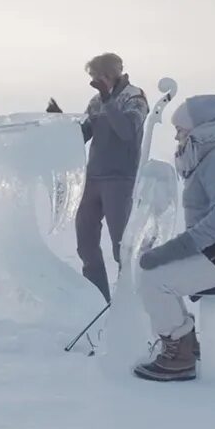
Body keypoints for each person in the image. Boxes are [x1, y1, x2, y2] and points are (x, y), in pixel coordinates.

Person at [133, 94, 215, 382]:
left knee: (154, 280)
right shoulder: (208, 158)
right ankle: (185, 343)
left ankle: (179, 354)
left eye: (182, 129)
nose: (178, 136)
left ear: (202, 130)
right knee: (156, 274)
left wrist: (172, 250)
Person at [49, 53, 149, 302]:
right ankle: (99, 300)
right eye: (93, 78)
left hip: (120, 179)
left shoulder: (134, 97)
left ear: (112, 72)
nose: (95, 81)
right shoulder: (96, 102)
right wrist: (60, 120)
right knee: (86, 244)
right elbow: (82, 135)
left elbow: (127, 131)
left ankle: (129, 301)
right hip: (92, 178)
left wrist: (108, 99)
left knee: (121, 246)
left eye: (98, 76)